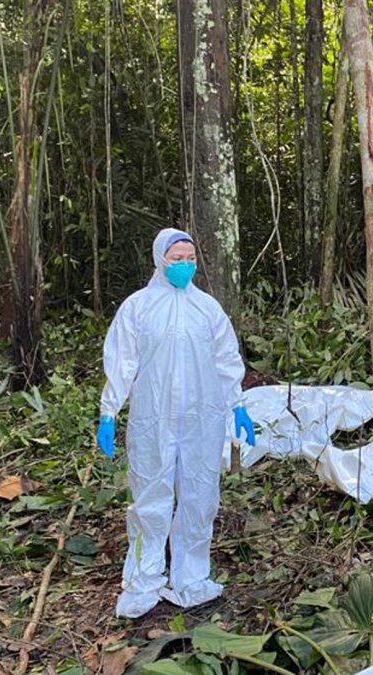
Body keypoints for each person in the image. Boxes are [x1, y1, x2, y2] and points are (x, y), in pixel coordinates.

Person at [95, 228, 257, 619]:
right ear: (159, 259)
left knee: (200, 498)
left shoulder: (208, 309)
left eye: (190, 257)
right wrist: (108, 411)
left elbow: (226, 360)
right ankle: (143, 579)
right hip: (153, 420)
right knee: (151, 499)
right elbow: (122, 362)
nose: (184, 264)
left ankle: (191, 577)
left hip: (204, 418)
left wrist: (238, 406)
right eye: (176, 257)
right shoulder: (138, 308)